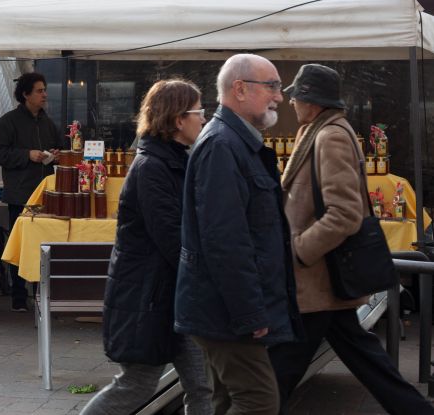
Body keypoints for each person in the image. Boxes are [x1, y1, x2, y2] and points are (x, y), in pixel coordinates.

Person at [267, 64, 434, 414]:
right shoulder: (318, 131)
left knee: (276, 375)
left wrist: (298, 251)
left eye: (296, 96)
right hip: (322, 283)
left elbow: (344, 213)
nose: (291, 103)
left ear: (311, 100)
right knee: (370, 366)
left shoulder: (330, 136)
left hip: (319, 278)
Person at [175, 53, 300, 415]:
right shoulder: (222, 146)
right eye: (273, 86)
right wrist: (249, 314)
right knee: (258, 400)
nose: (279, 96)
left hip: (224, 309)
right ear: (240, 89)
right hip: (227, 313)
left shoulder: (234, 142)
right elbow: (225, 241)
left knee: (227, 400)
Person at [82, 79, 212, 415]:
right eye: (199, 112)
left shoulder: (174, 160)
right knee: (137, 383)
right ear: (178, 119)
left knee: (203, 387)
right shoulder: (152, 167)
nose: (205, 119)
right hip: (151, 298)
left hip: (172, 296)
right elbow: (173, 237)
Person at [0, 71, 60, 311]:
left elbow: (59, 148)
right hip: (20, 194)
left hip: (46, 195)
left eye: (44, 90)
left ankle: (42, 293)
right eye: (39, 91)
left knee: (44, 244)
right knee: (20, 245)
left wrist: (55, 155)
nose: (44, 95)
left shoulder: (48, 122)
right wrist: (26, 155)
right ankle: (19, 297)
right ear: (26, 94)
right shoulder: (8, 121)